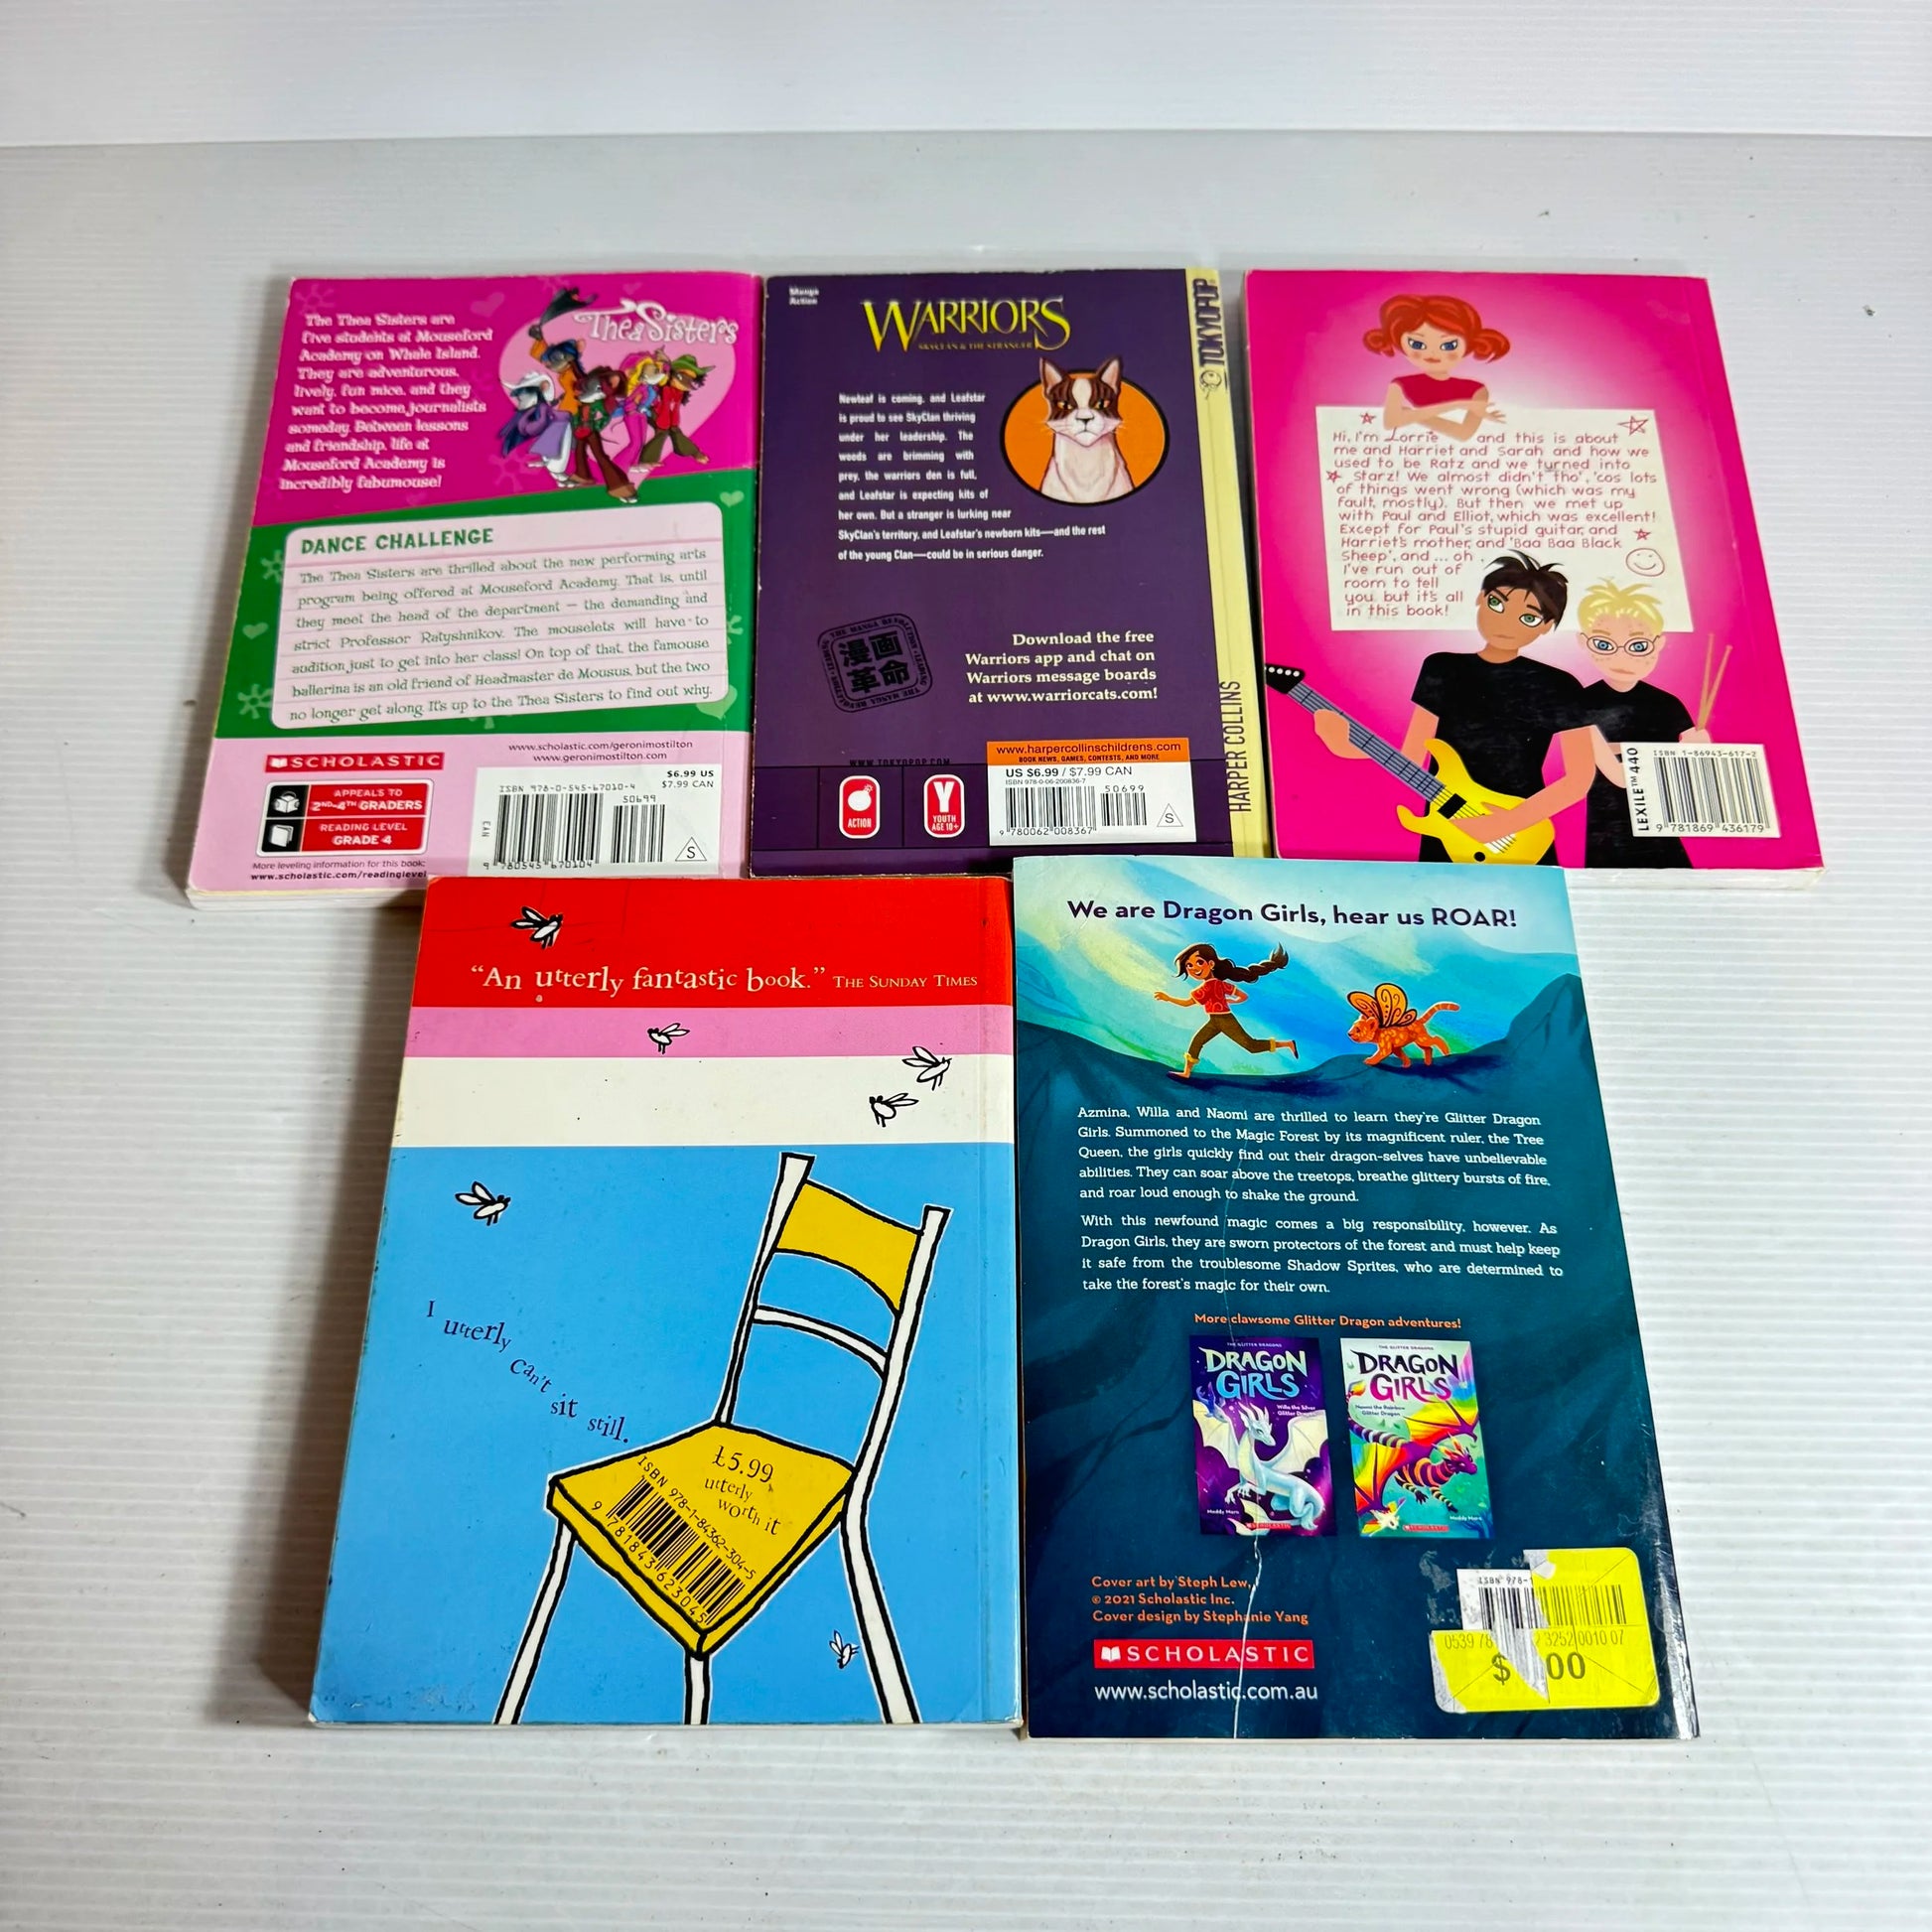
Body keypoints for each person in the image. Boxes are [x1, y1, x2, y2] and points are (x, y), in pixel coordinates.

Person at [1312, 551, 1596, 862]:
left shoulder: (1560, 684)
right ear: (1480, 599)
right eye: (1497, 604)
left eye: (1528, 617)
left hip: (1520, 834)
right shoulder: (1442, 667)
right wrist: (1348, 748)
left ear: (1546, 625)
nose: (1505, 623)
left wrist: (1505, 823)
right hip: (1446, 824)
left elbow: (1578, 779)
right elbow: (1413, 756)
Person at [1571, 580, 1705, 869]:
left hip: (1662, 821)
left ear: (1659, 643)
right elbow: (1618, 775)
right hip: (1610, 828)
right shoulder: (1581, 703)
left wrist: (1701, 749)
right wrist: (1669, 753)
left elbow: (1696, 773)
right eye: (1604, 644)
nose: (1621, 656)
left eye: (1638, 646)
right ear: (1583, 642)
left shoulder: (1668, 703)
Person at [1363, 293, 1509, 442]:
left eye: (1449, 345)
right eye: (1417, 344)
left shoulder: (1477, 390)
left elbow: (1464, 434)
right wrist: (1457, 404)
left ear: (1468, 347)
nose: (1432, 353)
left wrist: (1409, 414)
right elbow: (1391, 422)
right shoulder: (1400, 385)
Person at [1155, 943, 1297, 1081]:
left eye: (1199, 962)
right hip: (1215, 1021)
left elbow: (1187, 1003)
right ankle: (1186, 1073)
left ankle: (1287, 1044)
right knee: (1197, 1041)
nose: (1194, 968)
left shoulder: (1205, 988)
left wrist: (1168, 998)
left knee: (1251, 1046)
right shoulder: (1221, 984)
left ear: (1211, 964)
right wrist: (1229, 1001)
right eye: (1189, 965)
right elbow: (1243, 996)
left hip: (1225, 1021)